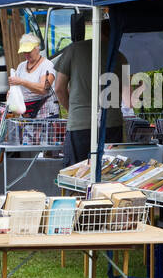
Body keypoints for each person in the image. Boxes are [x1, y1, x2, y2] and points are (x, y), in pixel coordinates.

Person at [53, 17, 129, 166]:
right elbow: (125, 95)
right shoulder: (120, 57)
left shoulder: (74, 50)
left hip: (80, 123)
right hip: (111, 123)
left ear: (97, 30)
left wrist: (73, 110)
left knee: (77, 175)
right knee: (109, 175)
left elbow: (59, 88)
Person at [8, 33, 57, 118]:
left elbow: (43, 89)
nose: (26, 54)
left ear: (37, 48)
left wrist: (22, 82)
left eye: (29, 51)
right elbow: (17, 89)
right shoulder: (21, 66)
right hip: (25, 113)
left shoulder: (47, 65)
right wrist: (11, 94)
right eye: (24, 52)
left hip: (45, 114)